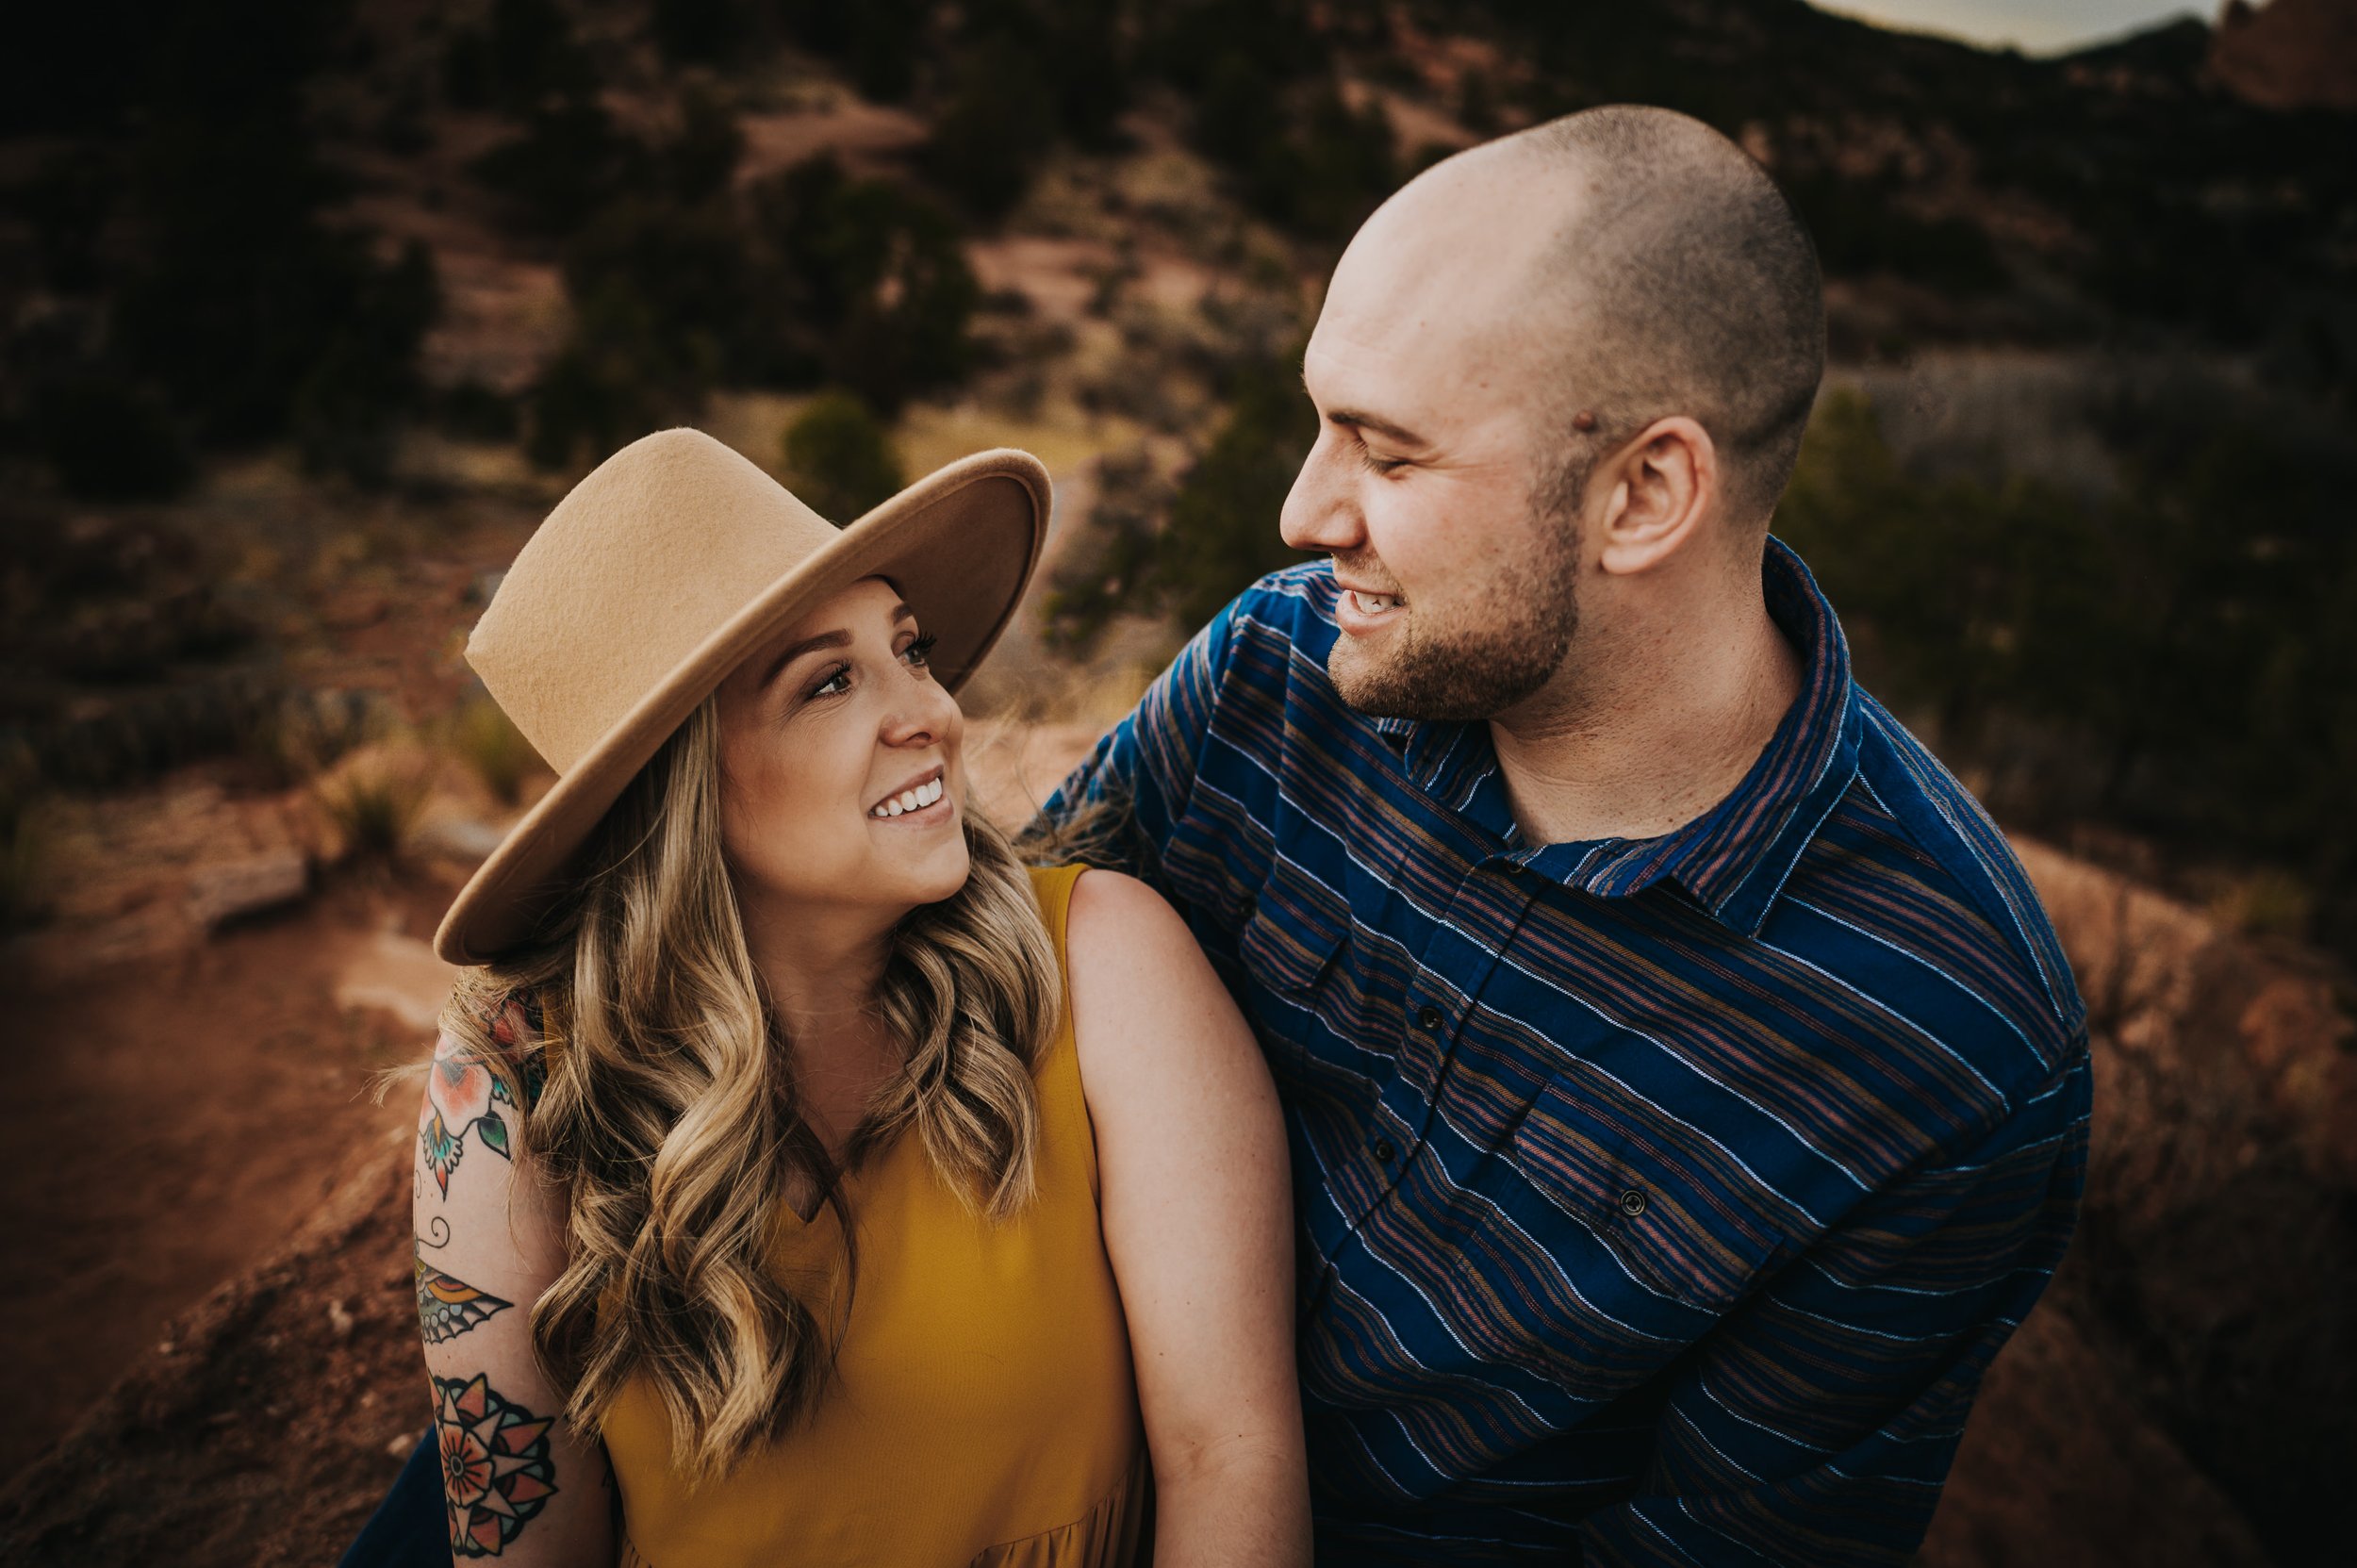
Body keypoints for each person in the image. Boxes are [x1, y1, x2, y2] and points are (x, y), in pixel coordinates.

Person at [1042, 105, 2094, 1564]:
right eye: (1319, 419)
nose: (1300, 511)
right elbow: (990, 1004)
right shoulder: (1275, 673)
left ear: (1645, 494)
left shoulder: (1948, 1050)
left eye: (1390, 457)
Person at [350, 430, 1310, 1566]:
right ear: (682, 788)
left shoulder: (1099, 964)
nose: (930, 714)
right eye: (832, 681)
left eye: (911, 649)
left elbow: (1228, 1459)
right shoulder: (512, 1085)